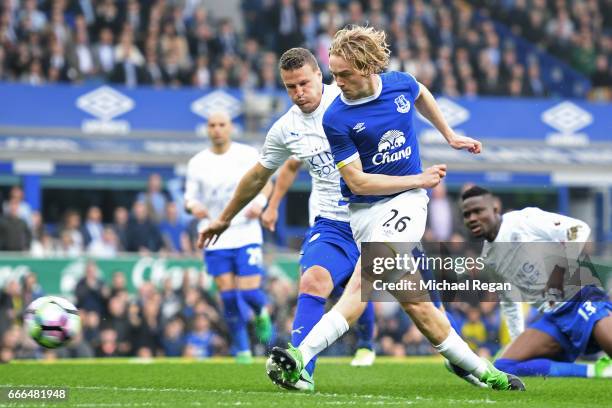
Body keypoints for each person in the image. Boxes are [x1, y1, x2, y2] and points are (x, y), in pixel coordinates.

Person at [264, 26, 523, 391]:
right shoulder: (336, 117)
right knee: (418, 305)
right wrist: (419, 178)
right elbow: (358, 183)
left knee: (362, 284)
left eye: (343, 75)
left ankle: (299, 357)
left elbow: (421, 93)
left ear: (368, 68)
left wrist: (448, 134)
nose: (335, 82)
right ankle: (485, 372)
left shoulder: (399, 84)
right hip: (366, 212)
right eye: (333, 73)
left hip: (406, 206)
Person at [199, 47, 378, 391]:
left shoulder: (351, 102)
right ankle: (302, 371)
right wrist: (224, 218)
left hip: (379, 217)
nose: (299, 93)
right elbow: (258, 176)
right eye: (290, 87)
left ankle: (474, 363)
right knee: (312, 281)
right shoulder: (286, 129)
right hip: (332, 223)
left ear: (319, 76)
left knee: (427, 310)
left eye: (304, 84)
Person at [460, 186, 612, 379]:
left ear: (495, 208)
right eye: (467, 214)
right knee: (503, 367)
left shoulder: (523, 220)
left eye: (478, 211)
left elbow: (578, 229)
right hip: (554, 318)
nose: (472, 218)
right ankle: (596, 371)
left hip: (581, 299)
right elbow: (509, 300)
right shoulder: (488, 258)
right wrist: (517, 339)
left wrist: (559, 270)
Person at [261, 157, 377, 369]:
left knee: (354, 285)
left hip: (363, 225)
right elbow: (290, 165)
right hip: (324, 225)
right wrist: (273, 204)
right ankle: (301, 367)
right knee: (314, 282)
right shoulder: (306, 132)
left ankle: (365, 343)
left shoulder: (365, 131)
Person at [184, 110, 273, 364]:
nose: (217, 129)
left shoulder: (246, 154)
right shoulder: (197, 162)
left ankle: (261, 311)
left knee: (248, 292)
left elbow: (266, 181)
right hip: (216, 235)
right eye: (212, 125)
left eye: (222, 124)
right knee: (227, 294)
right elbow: (189, 197)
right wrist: (193, 207)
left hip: (246, 231)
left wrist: (262, 202)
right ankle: (242, 348)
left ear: (231, 127)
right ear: (207, 129)